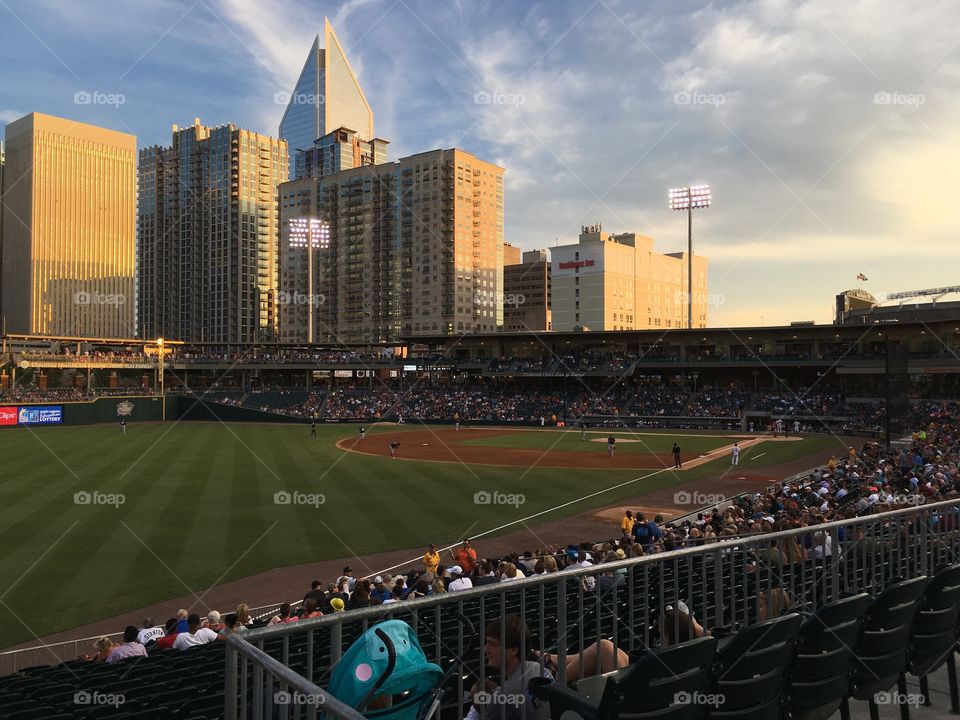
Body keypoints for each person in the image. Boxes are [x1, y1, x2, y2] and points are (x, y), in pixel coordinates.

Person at [466, 616, 553, 720]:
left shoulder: (501, 698)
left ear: (513, 650)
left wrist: (477, 707)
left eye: (492, 644)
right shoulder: (539, 669)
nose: (486, 650)